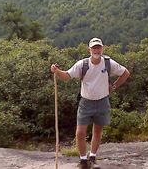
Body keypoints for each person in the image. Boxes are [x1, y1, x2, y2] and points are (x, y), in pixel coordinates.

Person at [51, 37, 130, 169]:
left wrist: (114, 86)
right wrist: (57, 71)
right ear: (89, 49)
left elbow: (126, 73)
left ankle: (92, 157)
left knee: (98, 131)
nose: (96, 50)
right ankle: (83, 160)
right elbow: (66, 76)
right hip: (85, 102)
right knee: (80, 132)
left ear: (102, 49)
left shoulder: (108, 63)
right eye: (94, 48)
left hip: (102, 101)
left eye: (98, 47)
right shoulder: (82, 64)